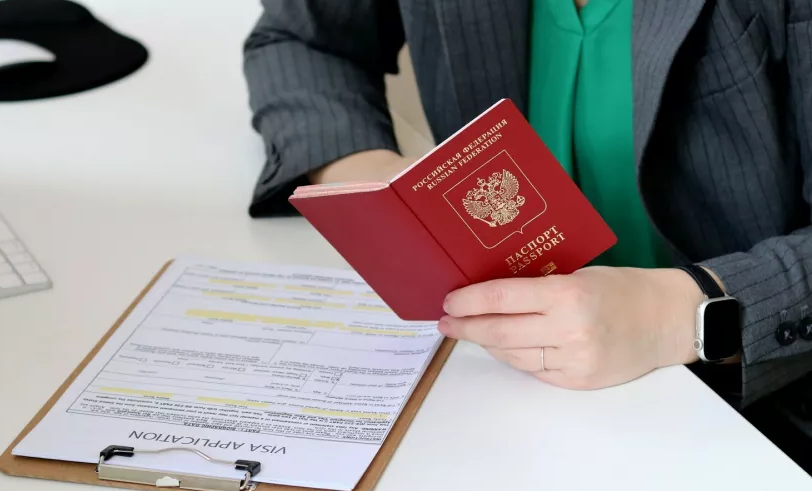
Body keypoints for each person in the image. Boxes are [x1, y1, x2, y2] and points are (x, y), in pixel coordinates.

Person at [240, 0, 812, 415]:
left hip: (750, 403)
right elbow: (301, 39)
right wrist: (374, 184)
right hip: (509, 387)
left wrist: (679, 314)